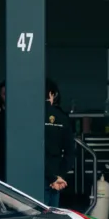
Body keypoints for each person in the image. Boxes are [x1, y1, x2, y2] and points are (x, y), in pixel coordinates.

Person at [44, 78, 76, 208]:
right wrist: (59, 175)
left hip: (37, 177)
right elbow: (70, 151)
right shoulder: (62, 116)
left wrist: (51, 176)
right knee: (52, 218)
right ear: (52, 94)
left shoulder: (30, 115)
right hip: (56, 179)